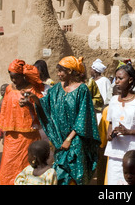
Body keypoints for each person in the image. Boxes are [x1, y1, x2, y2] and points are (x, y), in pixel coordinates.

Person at [29, 56, 101, 185]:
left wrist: (69, 139)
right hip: (60, 140)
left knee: (75, 173)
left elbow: (83, 117)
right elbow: (46, 106)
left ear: (70, 71)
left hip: (76, 140)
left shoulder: (82, 89)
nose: (58, 74)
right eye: (58, 70)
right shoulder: (56, 89)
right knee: (60, 175)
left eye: (61, 71)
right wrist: (35, 100)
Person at [0, 59, 44, 185]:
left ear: (23, 76)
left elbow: (43, 110)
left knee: (26, 164)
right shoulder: (9, 89)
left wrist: (30, 104)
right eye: (11, 77)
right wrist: (2, 133)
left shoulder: (32, 90)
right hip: (12, 137)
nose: (13, 80)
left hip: (28, 136)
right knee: (8, 165)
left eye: (15, 77)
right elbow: (4, 111)